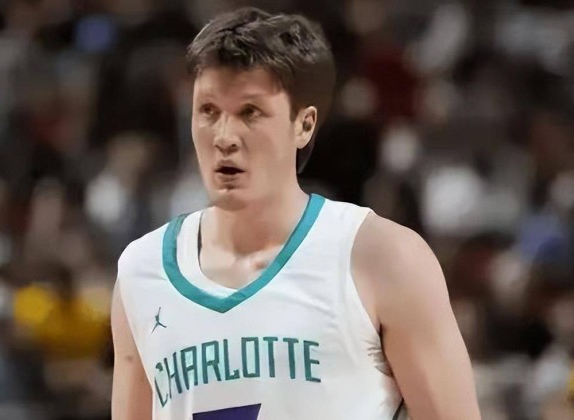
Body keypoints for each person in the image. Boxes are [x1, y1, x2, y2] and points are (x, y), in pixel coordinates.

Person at [111, 7, 481, 420]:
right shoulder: (142, 273)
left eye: (250, 112)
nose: (224, 137)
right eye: (208, 111)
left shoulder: (381, 256)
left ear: (304, 125)